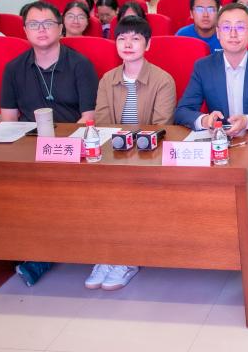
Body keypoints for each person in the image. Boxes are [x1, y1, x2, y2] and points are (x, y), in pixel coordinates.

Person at [0, 1, 98, 287]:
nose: (41, 30)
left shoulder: (80, 65)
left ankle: (42, 255)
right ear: (24, 30)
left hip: (71, 147)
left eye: (47, 24)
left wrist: (61, 150)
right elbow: (8, 121)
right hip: (28, 148)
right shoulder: (14, 68)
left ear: (60, 28)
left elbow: (89, 118)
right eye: (33, 24)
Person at [86, 16, 176, 291]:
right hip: (114, 154)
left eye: (135, 39)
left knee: (126, 191)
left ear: (147, 45)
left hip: (148, 157)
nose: (128, 44)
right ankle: (107, 255)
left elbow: (160, 127)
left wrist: (130, 155)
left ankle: (127, 258)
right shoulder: (107, 79)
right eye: (122, 38)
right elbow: (103, 124)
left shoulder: (163, 80)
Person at [174, 3, 248, 178]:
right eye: (226, 27)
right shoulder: (204, 67)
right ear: (218, 32)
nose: (233, 33)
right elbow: (182, 111)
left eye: (240, 27)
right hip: (220, 150)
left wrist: (247, 121)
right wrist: (205, 120)